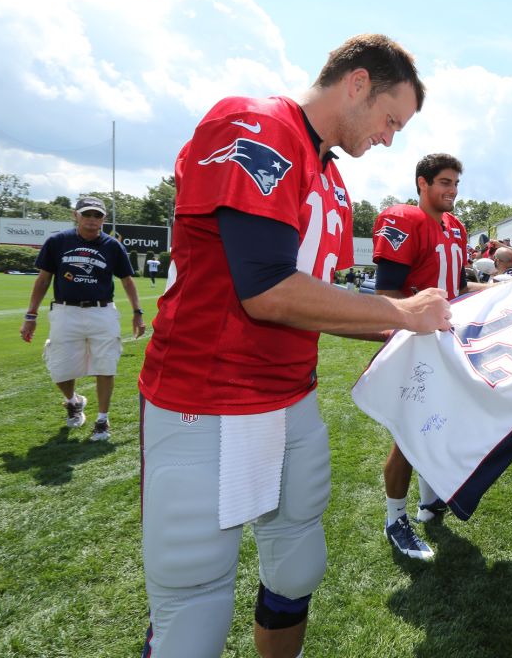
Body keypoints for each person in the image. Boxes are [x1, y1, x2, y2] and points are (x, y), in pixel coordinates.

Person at [135, 33, 451, 658]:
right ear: (357, 83)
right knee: (195, 605)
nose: (389, 138)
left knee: (297, 564)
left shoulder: (330, 175)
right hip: (206, 398)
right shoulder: (254, 124)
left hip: (288, 394)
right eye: (391, 119)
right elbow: (266, 290)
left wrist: (412, 325)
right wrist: (399, 312)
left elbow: (313, 300)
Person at [371, 152, 477, 562]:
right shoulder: (406, 219)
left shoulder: (455, 227)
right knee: (409, 433)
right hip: (415, 340)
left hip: (446, 339)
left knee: (441, 422)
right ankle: (395, 518)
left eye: (455, 184)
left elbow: (459, 286)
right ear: (422, 183)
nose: (451, 191)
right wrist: (422, 318)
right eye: (444, 182)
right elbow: (388, 293)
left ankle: (430, 503)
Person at [20, 196, 145, 442]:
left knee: (106, 366)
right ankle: (73, 400)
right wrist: (31, 315)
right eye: (86, 214)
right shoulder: (58, 242)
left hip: (102, 311)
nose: (92, 220)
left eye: (97, 215)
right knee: (60, 370)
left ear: (104, 219)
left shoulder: (112, 246)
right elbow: (43, 280)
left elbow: (127, 280)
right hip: (66, 312)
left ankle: (102, 419)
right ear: (75, 215)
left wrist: (137, 313)